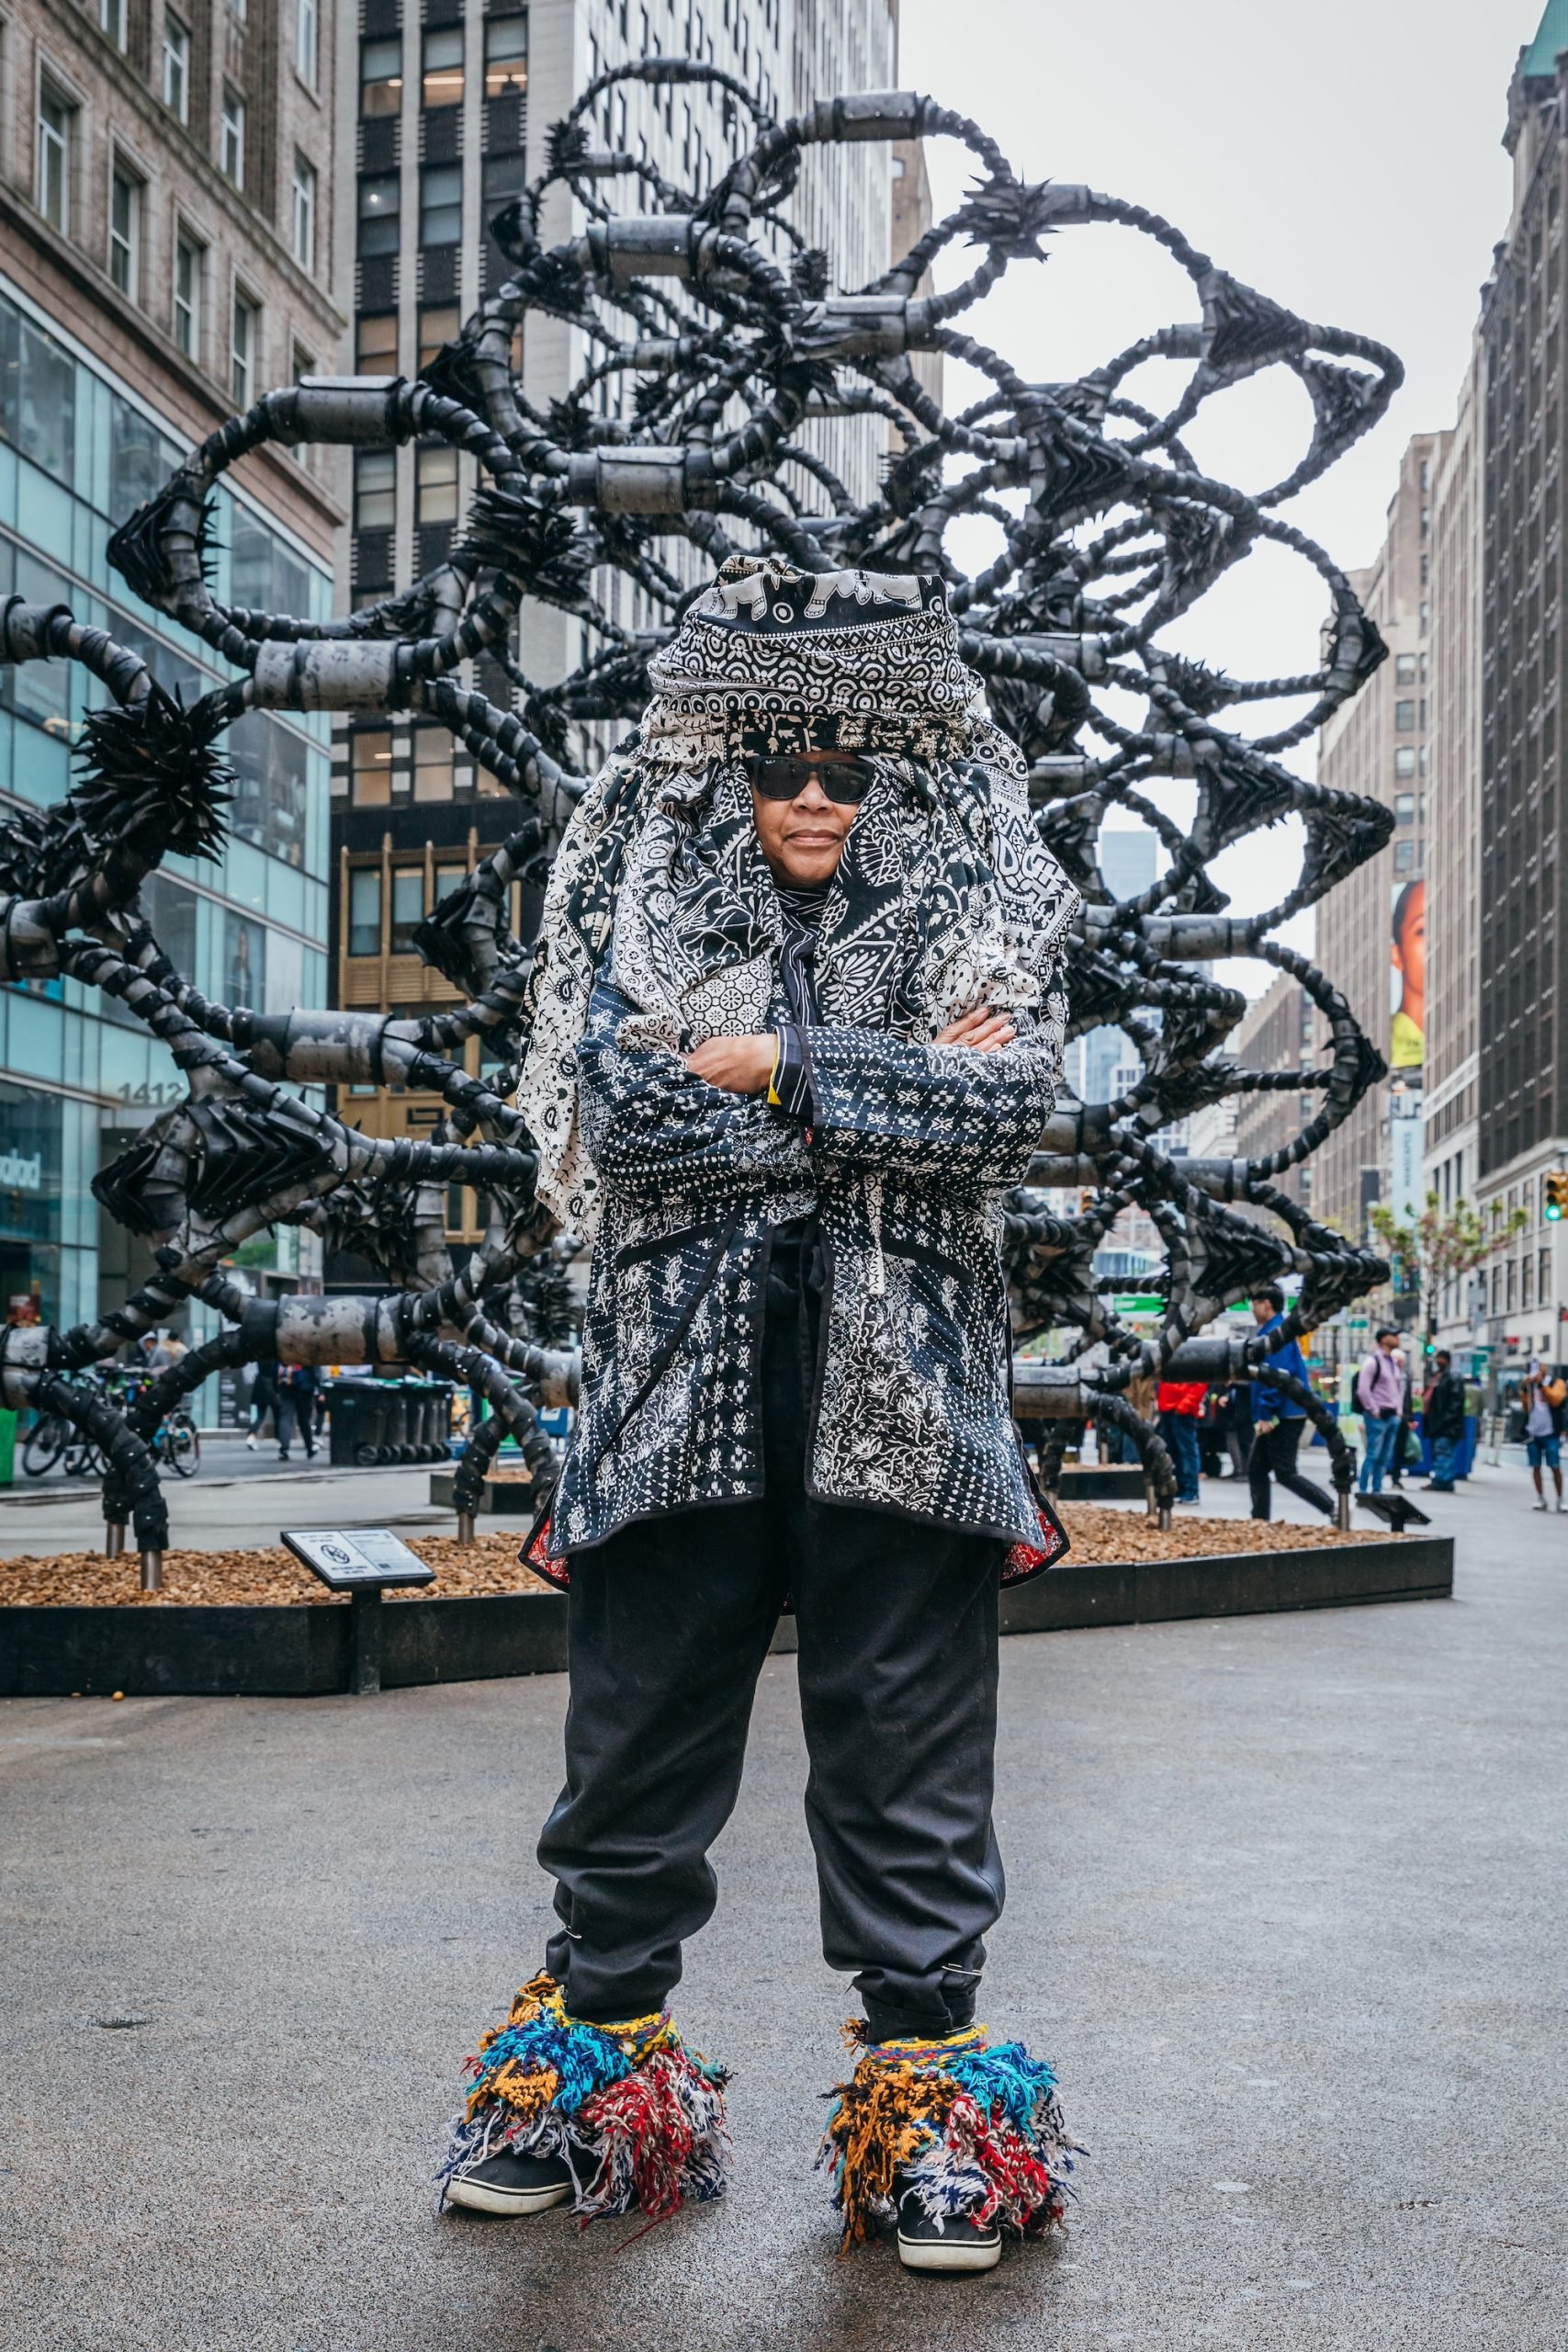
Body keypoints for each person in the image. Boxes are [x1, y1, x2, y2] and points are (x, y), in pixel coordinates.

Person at [438, 560, 1082, 2273]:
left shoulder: (979, 911)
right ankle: (586, 2077)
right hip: (681, 1382)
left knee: (907, 1752)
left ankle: (930, 2115)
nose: (810, 795)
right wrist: (885, 1090)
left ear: (891, 780)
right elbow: (623, 1117)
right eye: (780, 765)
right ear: (732, 774)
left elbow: (1014, 1103)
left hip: (910, 1394)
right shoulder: (639, 903)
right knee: (635, 1738)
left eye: (846, 769)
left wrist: (774, 1069)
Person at [1247, 1284, 1335, 1521]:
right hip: (1282, 1412)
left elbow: (1276, 1376)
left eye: (1254, 1303)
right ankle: (1259, 1520)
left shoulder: (1276, 1334)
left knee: (1285, 1472)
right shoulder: (1274, 1330)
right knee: (1256, 1469)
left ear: (1267, 1304)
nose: (1252, 1308)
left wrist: (1266, 1414)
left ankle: (1331, 1508)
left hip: (1283, 1414)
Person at [1355, 1328, 1405, 1495]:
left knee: (1384, 1457)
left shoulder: (1392, 1362)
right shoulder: (1372, 1362)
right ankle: (1363, 1491)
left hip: (1392, 1416)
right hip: (1377, 1416)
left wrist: (1398, 1411)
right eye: (1393, 1335)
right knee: (1373, 1455)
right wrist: (1373, 1410)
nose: (1397, 1338)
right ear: (1383, 1339)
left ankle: (1376, 1491)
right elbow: (1363, 1390)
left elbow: (1397, 1389)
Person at [1520, 1359, 1566, 1513]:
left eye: (1539, 1367)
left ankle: (1560, 1499)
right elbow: (1525, 1407)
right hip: (1533, 1432)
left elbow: (1556, 1400)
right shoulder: (1529, 1385)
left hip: (1551, 1433)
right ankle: (1540, 1497)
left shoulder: (1556, 1382)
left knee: (1555, 1466)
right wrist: (1525, 1388)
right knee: (1535, 1466)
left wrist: (1541, 1385)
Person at [1421, 1350, 1466, 1493]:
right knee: (1441, 1452)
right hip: (1439, 1423)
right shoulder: (1439, 1377)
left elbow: (1455, 1403)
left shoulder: (1452, 1377)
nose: (1437, 1361)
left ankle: (1442, 1481)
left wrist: (1444, 1421)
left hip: (1446, 1425)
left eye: (1440, 1358)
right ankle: (1444, 1480)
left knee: (1443, 1453)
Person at [1156, 1376, 1205, 1503]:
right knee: (1176, 1451)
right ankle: (1183, 1488)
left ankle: (1190, 1490)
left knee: (1186, 1452)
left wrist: (1185, 1405)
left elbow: (1200, 1383)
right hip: (1171, 1407)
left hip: (1179, 1409)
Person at [275, 1363, 321, 1464]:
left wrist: (276, 1389)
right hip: (304, 1388)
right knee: (304, 1420)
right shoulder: (307, 1349)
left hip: (286, 1387)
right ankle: (310, 1448)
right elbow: (315, 1370)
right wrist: (319, 1389)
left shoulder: (285, 1348)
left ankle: (284, 1449)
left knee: (285, 1418)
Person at [244, 1363, 280, 1453]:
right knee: (278, 1416)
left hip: (259, 1385)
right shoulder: (274, 1357)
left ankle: (251, 1436)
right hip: (271, 1387)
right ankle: (280, 1439)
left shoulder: (261, 1355)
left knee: (260, 1415)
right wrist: (277, 1391)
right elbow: (275, 1373)